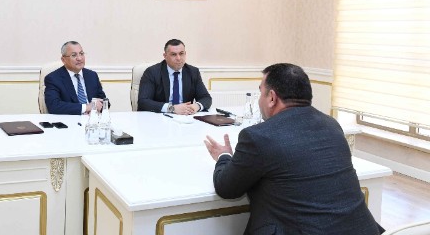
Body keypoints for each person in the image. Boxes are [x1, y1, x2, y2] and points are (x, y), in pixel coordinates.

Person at [204, 63, 385, 235]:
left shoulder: (258, 137)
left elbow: (227, 188)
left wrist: (224, 155)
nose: (259, 100)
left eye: (261, 93)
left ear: (272, 98)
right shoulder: (332, 125)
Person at [138, 39, 212, 114]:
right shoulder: (152, 72)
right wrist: (172, 108)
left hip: (185, 116)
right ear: (165, 56)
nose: (178, 58)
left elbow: (206, 98)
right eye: (173, 54)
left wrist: (196, 106)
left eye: (181, 53)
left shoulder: (193, 72)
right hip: (161, 116)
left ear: (185, 54)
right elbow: (143, 101)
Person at [44, 41, 106, 115]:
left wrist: (96, 108)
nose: (79, 58)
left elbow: (104, 101)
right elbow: (54, 106)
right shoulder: (53, 78)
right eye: (74, 55)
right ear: (63, 60)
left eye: (81, 54)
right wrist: (86, 107)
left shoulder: (92, 75)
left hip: (92, 119)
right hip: (70, 120)